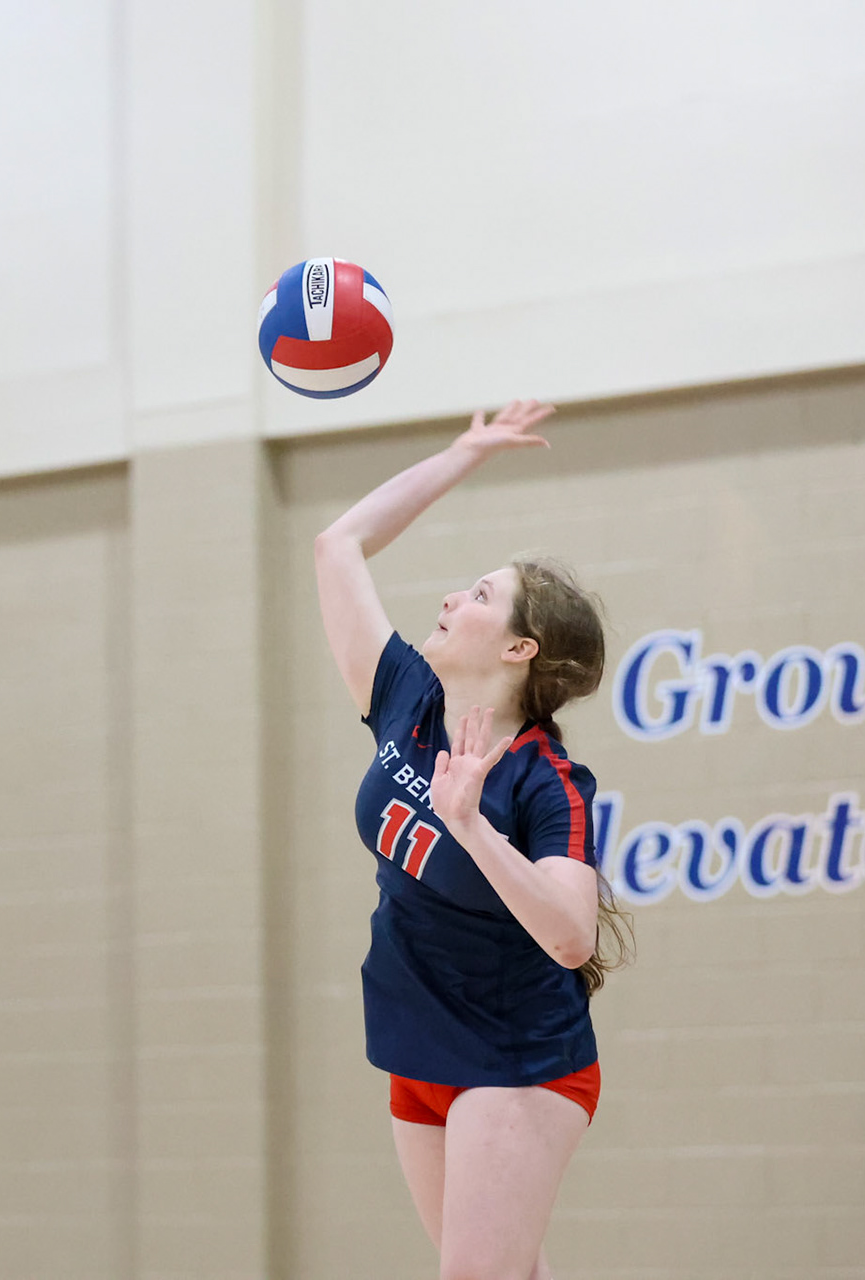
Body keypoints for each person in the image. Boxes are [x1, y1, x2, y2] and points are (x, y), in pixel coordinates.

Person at [313, 399, 632, 1280]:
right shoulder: (406, 699)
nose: (453, 597)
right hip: (419, 1047)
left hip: (518, 1061)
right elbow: (336, 546)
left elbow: (570, 936)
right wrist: (464, 453)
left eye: (481, 595)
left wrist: (471, 827)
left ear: (522, 647)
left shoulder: (545, 781)